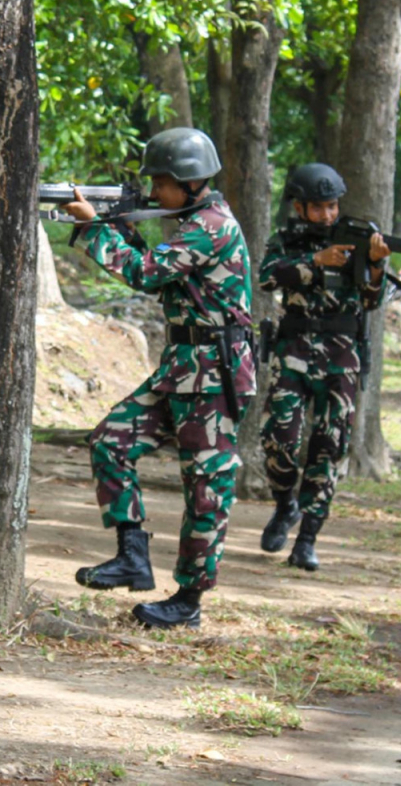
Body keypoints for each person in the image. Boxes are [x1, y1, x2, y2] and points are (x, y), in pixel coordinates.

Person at [62, 127, 256, 630]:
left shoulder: (210, 225)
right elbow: (159, 274)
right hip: (182, 368)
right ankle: (133, 555)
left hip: (214, 374)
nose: (152, 194)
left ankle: (188, 601)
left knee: (205, 489)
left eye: (160, 184)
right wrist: (117, 224)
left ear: (189, 182)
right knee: (110, 441)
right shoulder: (190, 219)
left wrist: (93, 229)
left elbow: (147, 273)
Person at [258, 163, 390, 572]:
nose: (327, 215)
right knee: (279, 437)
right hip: (294, 349)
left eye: (332, 206)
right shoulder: (286, 241)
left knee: (329, 446)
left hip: (340, 356)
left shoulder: (357, 237)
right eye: (318, 208)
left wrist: (375, 264)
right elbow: (266, 278)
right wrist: (316, 260)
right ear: (299, 207)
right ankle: (285, 506)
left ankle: (308, 538)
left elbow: (371, 300)